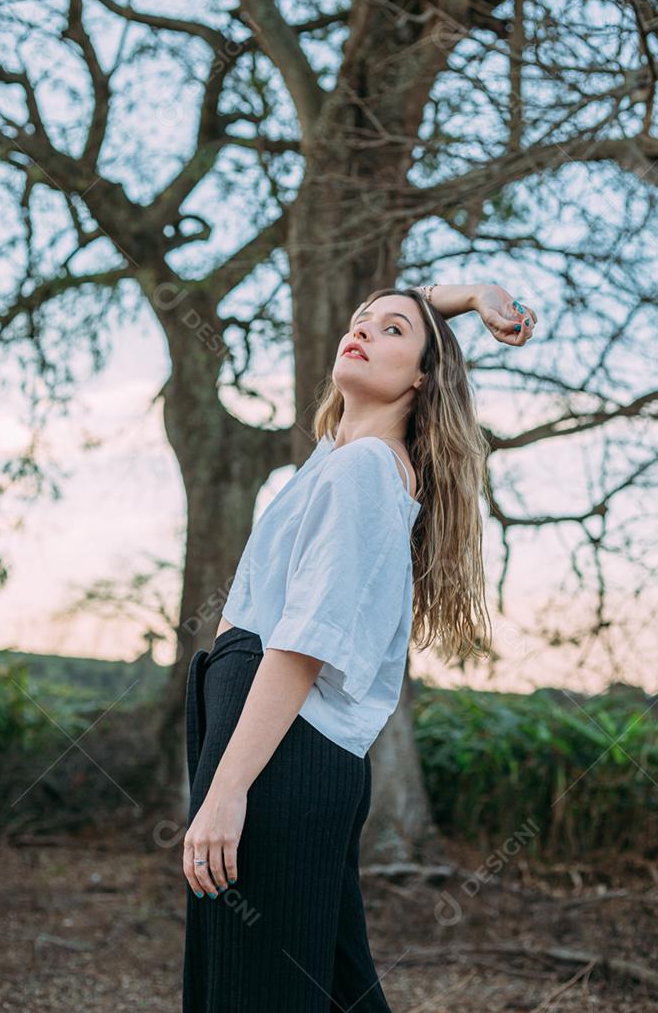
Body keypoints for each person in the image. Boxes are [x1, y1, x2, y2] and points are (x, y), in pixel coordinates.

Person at [182, 282, 537, 1011]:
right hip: (288, 757)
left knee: (255, 995)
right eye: (359, 322)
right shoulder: (342, 459)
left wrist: (225, 791)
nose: (365, 331)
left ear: (421, 378)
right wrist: (467, 298)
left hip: (278, 757)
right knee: (338, 992)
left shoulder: (364, 471)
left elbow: (300, 646)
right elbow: (403, 308)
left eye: (393, 331)